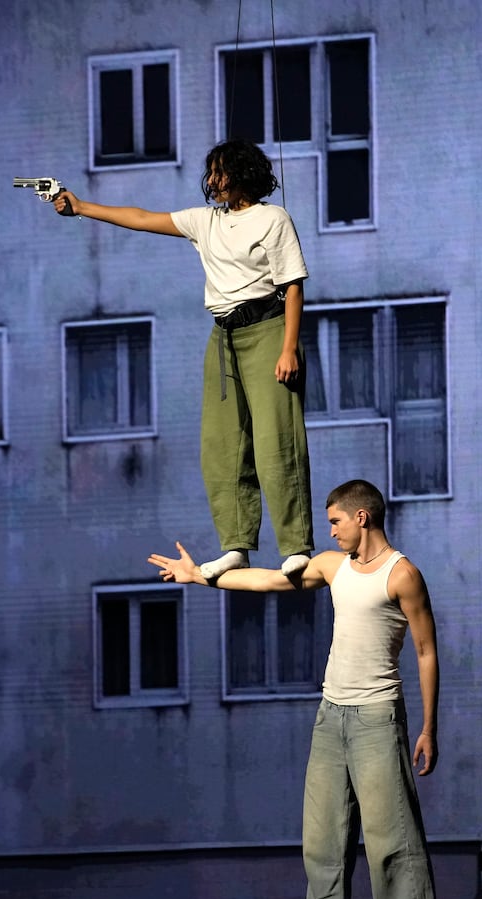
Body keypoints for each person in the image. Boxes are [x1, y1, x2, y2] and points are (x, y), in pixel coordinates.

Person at [148, 479, 443, 899]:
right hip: (330, 717)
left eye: (335, 521)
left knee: (391, 839)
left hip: (376, 716)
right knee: (323, 841)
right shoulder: (333, 566)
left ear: (362, 518)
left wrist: (429, 728)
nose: (330, 531)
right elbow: (267, 581)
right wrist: (199, 576)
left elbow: (426, 652)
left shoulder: (402, 575)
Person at [51, 140, 313, 581]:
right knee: (222, 446)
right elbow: (139, 217)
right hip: (224, 337)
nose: (213, 181)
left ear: (241, 173)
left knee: (276, 442)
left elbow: (293, 287)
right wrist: (81, 207)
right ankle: (235, 545)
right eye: (210, 172)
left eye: (220, 172)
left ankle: (296, 545)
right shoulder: (204, 221)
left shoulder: (273, 219)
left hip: (268, 331)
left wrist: (289, 348)